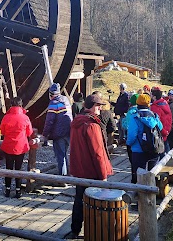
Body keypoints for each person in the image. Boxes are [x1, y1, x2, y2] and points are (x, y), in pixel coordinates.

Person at [69, 94, 113, 237]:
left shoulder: (77, 122)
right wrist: (103, 175)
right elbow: (97, 153)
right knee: (95, 203)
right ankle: (94, 232)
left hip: (80, 169)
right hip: (92, 171)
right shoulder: (92, 125)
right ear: (92, 107)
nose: (100, 108)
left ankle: (75, 229)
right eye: (98, 106)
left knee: (79, 200)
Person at [0, 97, 33, 198]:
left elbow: (2, 131)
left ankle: (8, 189)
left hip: (8, 146)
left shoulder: (6, 117)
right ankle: (18, 190)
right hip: (20, 146)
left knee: (8, 168)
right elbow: (29, 132)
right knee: (18, 168)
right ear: (21, 105)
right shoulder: (25, 118)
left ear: (11, 105)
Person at [126, 94, 163, 184]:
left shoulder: (135, 117)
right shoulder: (154, 115)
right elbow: (160, 127)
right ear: (148, 104)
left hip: (138, 150)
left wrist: (129, 144)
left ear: (138, 104)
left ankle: (138, 194)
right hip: (154, 148)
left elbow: (132, 135)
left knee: (139, 174)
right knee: (152, 173)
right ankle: (151, 190)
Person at [42, 83, 73, 176]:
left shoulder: (53, 103)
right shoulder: (66, 100)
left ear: (50, 94)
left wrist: (45, 134)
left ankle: (62, 178)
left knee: (60, 156)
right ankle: (68, 173)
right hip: (69, 131)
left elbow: (49, 121)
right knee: (65, 154)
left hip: (58, 134)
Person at [150, 88, 172, 153]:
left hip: (160, 131)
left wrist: (163, 131)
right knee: (166, 147)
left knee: (160, 151)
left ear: (154, 97)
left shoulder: (155, 107)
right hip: (166, 129)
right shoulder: (165, 104)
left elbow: (155, 121)